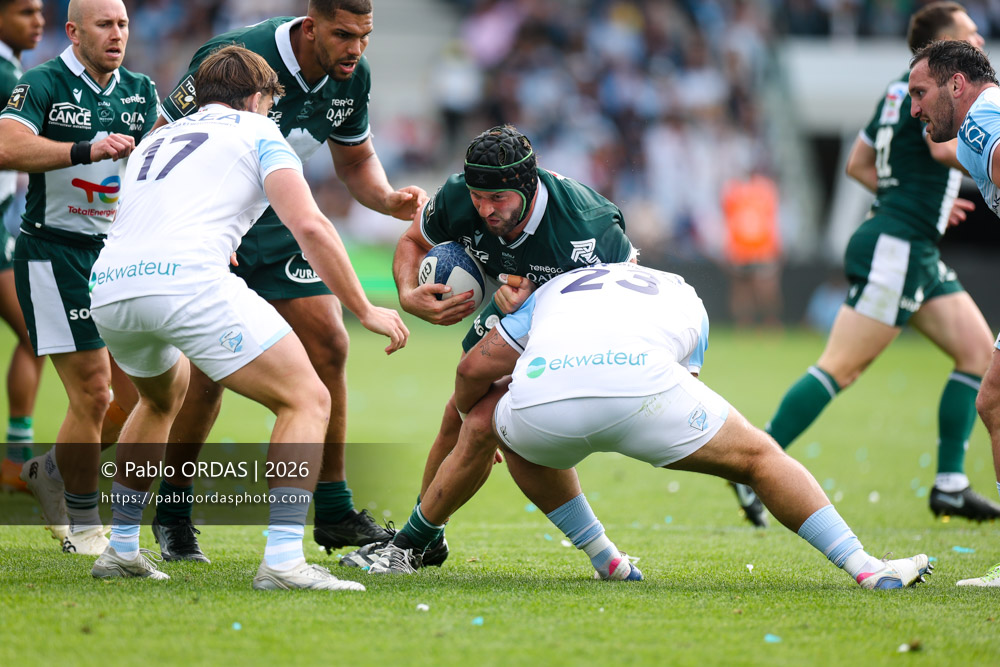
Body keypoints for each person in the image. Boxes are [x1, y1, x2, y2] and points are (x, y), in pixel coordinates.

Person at [369, 262, 932, 591]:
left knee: (505, 426)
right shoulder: (682, 289)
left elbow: (473, 370)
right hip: (645, 393)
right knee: (761, 459)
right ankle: (865, 568)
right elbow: (687, 376)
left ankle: (605, 559)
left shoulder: (551, 290)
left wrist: (485, 418)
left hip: (545, 404)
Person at [87, 45, 408, 588]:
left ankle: (120, 548)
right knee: (307, 398)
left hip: (113, 286)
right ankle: (283, 561)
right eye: (269, 103)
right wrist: (364, 307)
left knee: (159, 400)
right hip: (185, 281)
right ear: (258, 98)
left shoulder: (158, 138)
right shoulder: (259, 131)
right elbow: (310, 226)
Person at [150, 0, 426, 563]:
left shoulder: (352, 75)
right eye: (343, 34)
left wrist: (386, 198)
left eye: (365, 36)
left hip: (277, 223)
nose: (355, 49)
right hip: (218, 222)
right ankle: (172, 513)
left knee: (330, 342)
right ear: (310, 26)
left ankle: (334, 509)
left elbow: (355, 161)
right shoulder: (235, 60)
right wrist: (187, 227)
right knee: (207, 375)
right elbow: (161, 140)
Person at [744, 2, 999, 527]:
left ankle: (950, 484)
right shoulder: (942, 100)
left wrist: (911, 196)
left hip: (910, 241)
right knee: (840, 366)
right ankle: (753, 465)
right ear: (942, 42)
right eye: (968, 32)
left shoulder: (897, 90)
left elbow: (858, 163)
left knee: (977, 354)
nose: (977, 39)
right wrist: (918, 199)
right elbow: (939, 152)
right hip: (898, 244)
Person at [338, 124, 638, 570]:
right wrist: (408, 293)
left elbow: (630, 298)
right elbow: (413, 241)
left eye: (498, 198)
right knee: (459, 415)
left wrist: (542, 304)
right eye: (478, 197)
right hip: (512, 315)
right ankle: (426, 539)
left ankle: (411, 545)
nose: (485, 209)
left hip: (584, 333)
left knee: (481, 423)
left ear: (528, 186)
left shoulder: (586, 224)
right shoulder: (458, 196)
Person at [0, 0, 158, 554]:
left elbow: (158, 171)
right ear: (73, 31)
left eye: (123, 24)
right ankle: (86, 525)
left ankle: (49, 471)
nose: (117, 34)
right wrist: (84, 150)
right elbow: (5, 145)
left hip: (119, 255)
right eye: (104, 25)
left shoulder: (140, 90)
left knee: (142, 393)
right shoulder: (42, 83)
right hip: (54, 253)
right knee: (93, 391)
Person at [908, 39, 1000, 586]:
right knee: (994, 400)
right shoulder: (970, 133)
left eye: (920, 93)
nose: (914, 108)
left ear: (957, 85)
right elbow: (944, 151)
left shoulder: (983, 121)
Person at [0, 0, 43, 493]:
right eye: (25, 12)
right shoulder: (8, 77)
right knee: (37, 333)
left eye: (40, 12)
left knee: (36, 334)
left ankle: (15, 456)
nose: (38, 22)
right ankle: (15, 457)